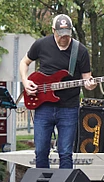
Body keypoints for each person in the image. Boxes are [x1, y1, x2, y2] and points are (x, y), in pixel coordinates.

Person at [20, 14, 95, 169]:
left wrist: (91, 84)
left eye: (67, 35)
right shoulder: (41, 44)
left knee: (66, 152)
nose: (63, 38)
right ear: (53, 30)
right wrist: (25, 81)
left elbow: (87, 80)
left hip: (69, 107)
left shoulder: (80, 50)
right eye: (60, 34)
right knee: (41, 151)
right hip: (43, 106)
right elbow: (24, 62)